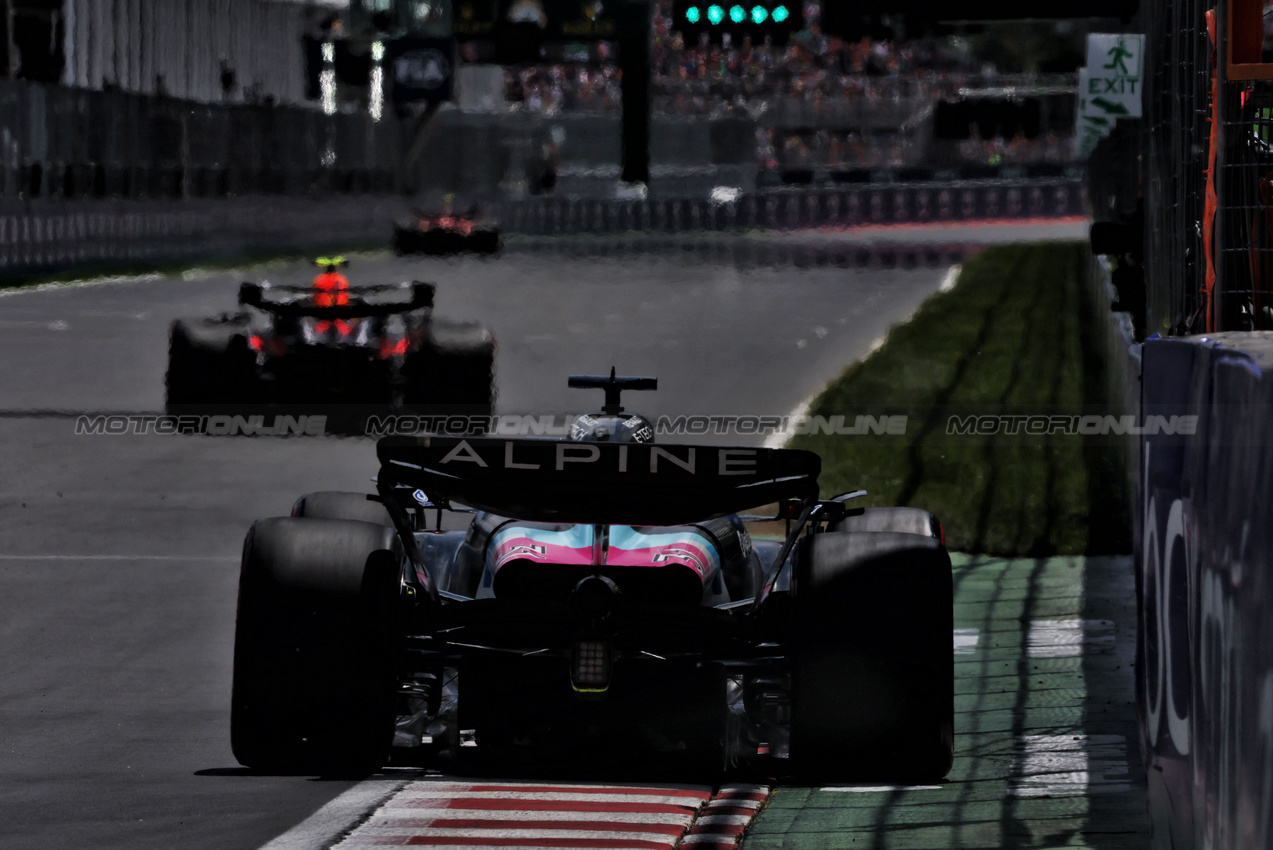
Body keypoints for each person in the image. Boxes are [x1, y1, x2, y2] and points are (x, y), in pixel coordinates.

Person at [311, 256, 351, 335]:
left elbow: (315, 298)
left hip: (324, 312)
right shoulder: (342, 279)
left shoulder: (319, 279)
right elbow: (345, 298)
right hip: (339, 312)